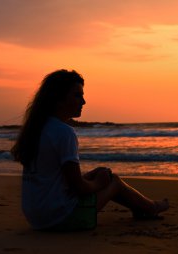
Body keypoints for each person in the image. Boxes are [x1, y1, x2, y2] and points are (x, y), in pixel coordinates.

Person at [11, 69, 169, 231]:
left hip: (36, 218)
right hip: (62, 218)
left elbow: (56, 179)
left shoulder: (35, 129)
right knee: (113, 181)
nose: (84, 101)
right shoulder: (64, 132)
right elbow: (78, 188)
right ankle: (150, 208)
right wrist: (99, 183)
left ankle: (140, 207)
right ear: (58, 99)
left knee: (101, 174)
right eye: (77, 95)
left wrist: (92, 178)